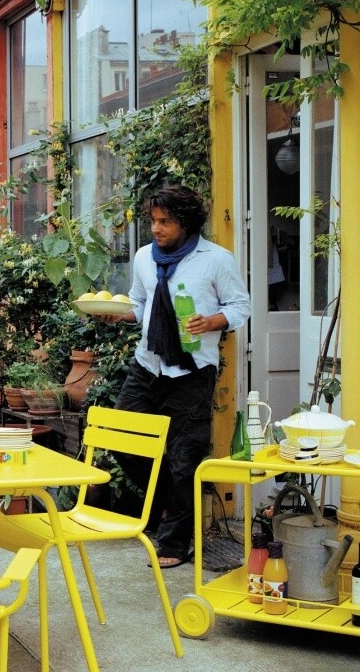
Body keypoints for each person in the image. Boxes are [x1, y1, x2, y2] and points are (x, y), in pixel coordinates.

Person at [98, 184, 250, 568]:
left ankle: (174, 544)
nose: (156, 229)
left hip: (193, 370)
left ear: (185, 222)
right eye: (153, 221)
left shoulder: (216, 259)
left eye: (165, 221)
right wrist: (118, 314)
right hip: (148, 363)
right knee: (121, 438)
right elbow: (140, 303)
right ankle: (169, 501)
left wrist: (212, 320)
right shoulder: (145, 258)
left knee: (186, 457)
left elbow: (240, 306)